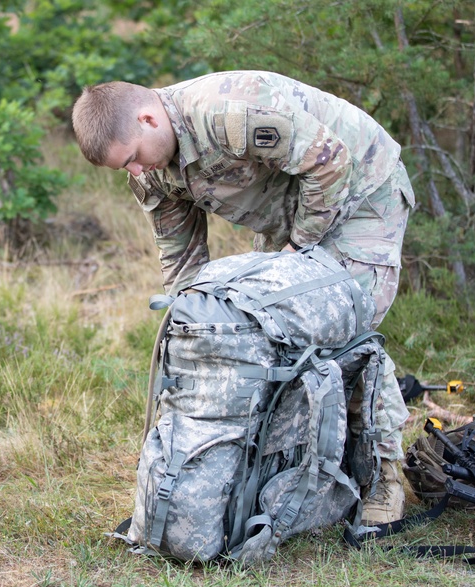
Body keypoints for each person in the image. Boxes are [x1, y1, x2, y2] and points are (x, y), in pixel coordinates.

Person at [72, 70, 412, 524]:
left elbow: (331, 163)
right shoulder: (150, 170)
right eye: (124, 168)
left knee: (344, 330)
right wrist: (192, 327)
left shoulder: (232, 112)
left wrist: (296, 254)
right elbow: (182, 256)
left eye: (133, 158)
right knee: (268, 334)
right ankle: (298, 474)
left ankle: (385, 475)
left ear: (149, 119)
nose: (134, 171)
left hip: (362, 190)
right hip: (291, 216)